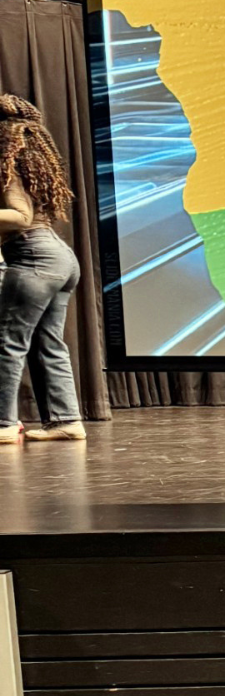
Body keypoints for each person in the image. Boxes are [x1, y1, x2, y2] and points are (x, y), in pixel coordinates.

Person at [0, 95, 82, 444]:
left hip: (34, 258)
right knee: (48, 344)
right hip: (60, 258)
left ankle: (3, 424)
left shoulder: (7, 161)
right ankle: (67, 420)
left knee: (7, 342)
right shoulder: (29, 158)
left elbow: (21, 217)